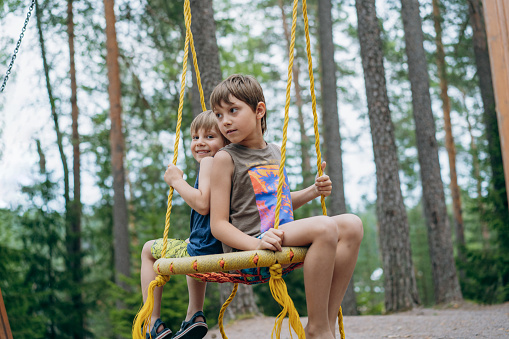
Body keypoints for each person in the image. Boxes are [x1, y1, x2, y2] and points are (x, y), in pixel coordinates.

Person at [209, 74, 364, 339]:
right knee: (325, 226)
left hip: (281, 231)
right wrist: (256, 244)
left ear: (259, 110)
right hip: (251, 243)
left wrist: (313, 191)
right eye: (219, 115)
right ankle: (318, 328)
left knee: (352, 224)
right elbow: (218, 224)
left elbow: (275, 204)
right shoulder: (225, 158)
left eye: (233, 110)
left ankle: (322, 325)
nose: (225, 121)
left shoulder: (274, 152)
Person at [140, 110, 228, 339]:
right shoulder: (231, 164)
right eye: (195, 137)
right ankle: (194, 316)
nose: (200, 143)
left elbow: (202, 204)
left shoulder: (210, 163)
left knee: (149, 250)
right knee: (191, 246)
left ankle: (152, 323)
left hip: (205, 248)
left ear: (225, 139)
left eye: (210, 137)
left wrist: (177, 181)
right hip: (224, 245)